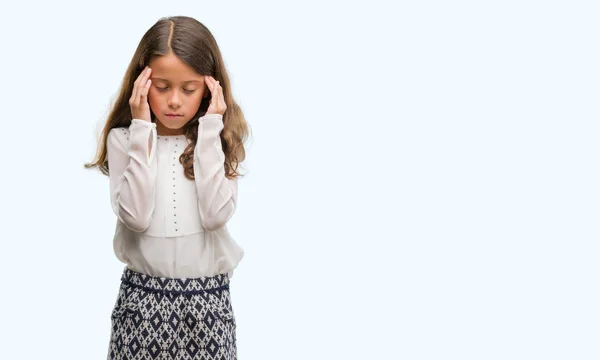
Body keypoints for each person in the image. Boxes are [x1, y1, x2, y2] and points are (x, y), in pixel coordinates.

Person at [85, 15, 249, 360]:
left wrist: (209, 131)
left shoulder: (218, 139)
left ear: (209, 87)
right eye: (162, 87)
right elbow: (136, 217)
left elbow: (217, 215)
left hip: (208, 304)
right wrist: (142, 127)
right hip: (141, 303)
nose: (174, 100)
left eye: (188, 89)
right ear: (142, 83)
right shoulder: (125, 139)